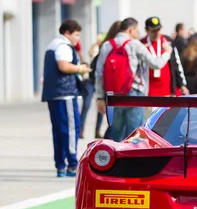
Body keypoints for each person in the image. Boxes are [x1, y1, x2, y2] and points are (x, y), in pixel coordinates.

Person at [95, 17, 173, 142]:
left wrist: (100, 97)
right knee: (135, 133)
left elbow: (99, 73)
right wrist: (167, 52)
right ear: (131, 30)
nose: (138, 34)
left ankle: (116, 158)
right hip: (134, 93)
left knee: (116, 132)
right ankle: (132, 159)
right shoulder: (135, 44)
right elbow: (155, 63)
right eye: (136, 30)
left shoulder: (107, 45)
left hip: (114, 94)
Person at [41, 19, 91, 177]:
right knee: (70, 130)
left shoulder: (53, 45)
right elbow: (64, 66)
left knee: (58, 130)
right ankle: (72, 164)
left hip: (54, 94)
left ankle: (61, 165)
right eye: (76, 34)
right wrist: (80, 68)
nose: (78, 38)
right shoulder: (63, 46)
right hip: (65, 94)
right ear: (67, 33)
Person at [141, 17, 188, 99]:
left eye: (158, 30)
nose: (156, 33)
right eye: (153, 31)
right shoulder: (141, 44)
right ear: (147, 30)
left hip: (167, 91)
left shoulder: (168, 41)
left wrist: (181, 84)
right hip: (148, 92)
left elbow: (176, 63)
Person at [89, 21, 121, 139]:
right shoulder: (109, 47)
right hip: (116, 89)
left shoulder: (106, 45)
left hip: (108, 88)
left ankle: (101, 134)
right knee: (115, 122)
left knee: (112, 120)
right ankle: (106, 141)